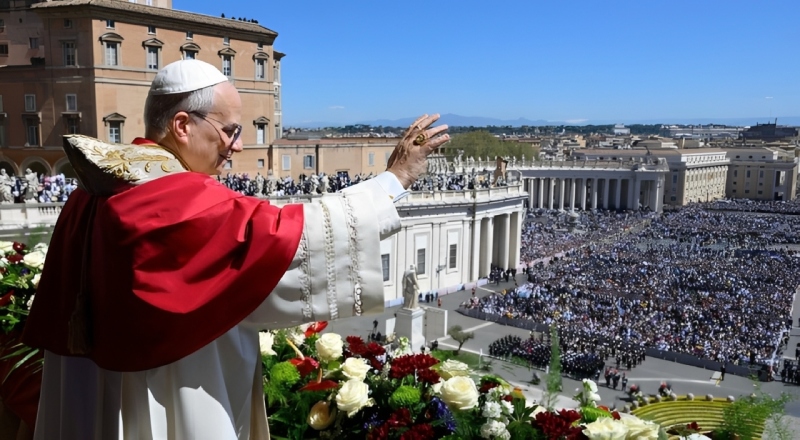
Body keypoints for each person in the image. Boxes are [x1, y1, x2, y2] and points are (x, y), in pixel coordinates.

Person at [23, 60, 450, 439]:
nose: (239, 146)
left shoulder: (93, 189)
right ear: (183, 126)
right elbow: (285, 239)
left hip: (92, 394)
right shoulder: (175, 197)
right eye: (230, 131)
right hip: (168, 391)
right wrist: (394, 180)